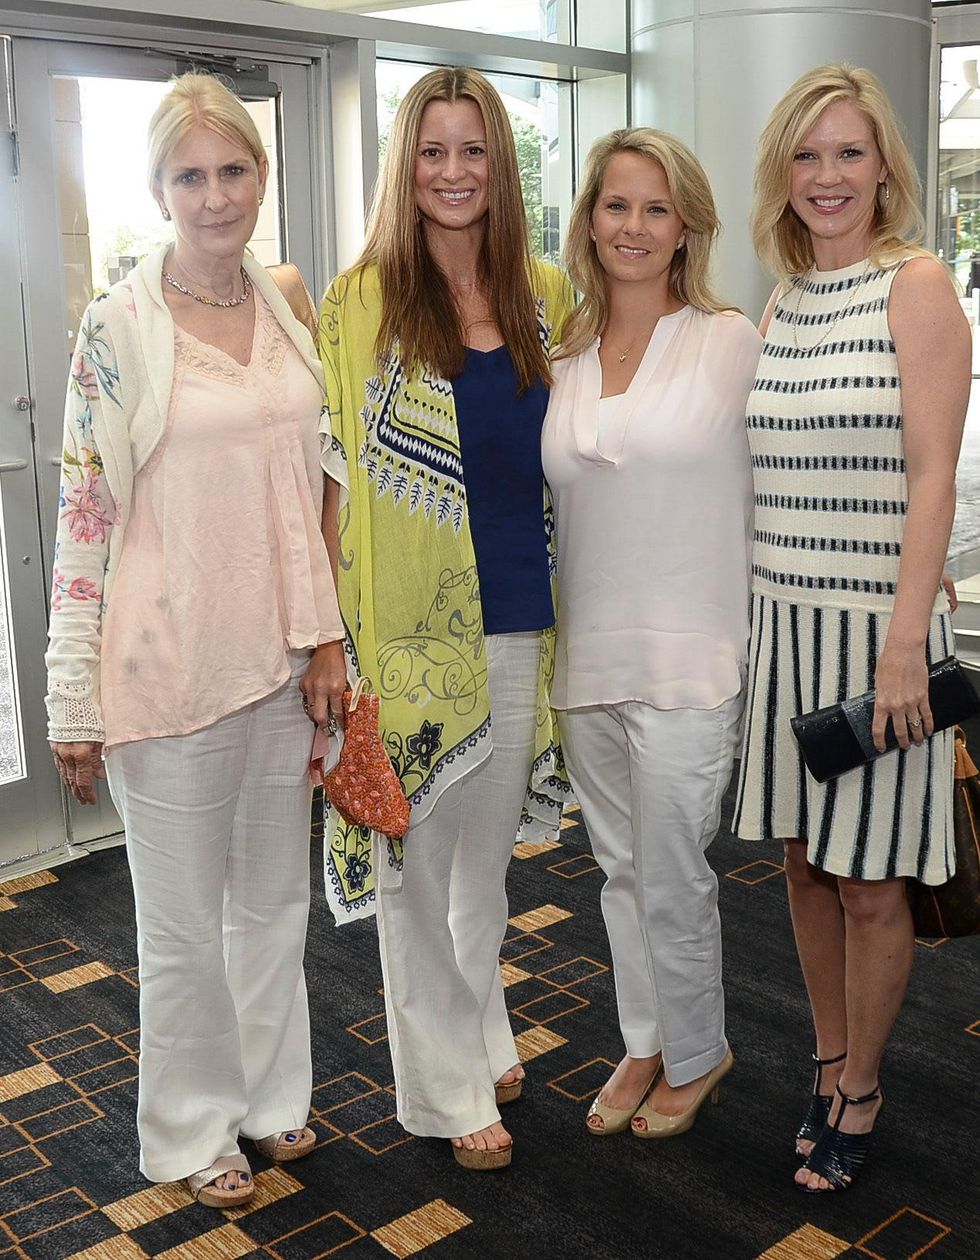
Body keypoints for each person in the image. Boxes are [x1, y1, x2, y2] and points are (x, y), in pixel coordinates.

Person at [45, 72, 347, 1208]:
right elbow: (84, 516)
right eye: (190, 176)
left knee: (271, 908)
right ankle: (188, 1131)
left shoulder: (281, 299)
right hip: (164, 672)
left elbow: (317, 479)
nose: (214, 197)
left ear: (260, 178)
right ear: (158, 187)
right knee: (179, 929)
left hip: (274, 665)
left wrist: (325, 642)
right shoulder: (116, 326)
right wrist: (72, 703)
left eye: (234, 172)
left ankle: (271, 1101)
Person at [318, 67, 572, 1170]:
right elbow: (327, 483)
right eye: (432, 150)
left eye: (474, 150)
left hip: (524, 614)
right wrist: (328, 638)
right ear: (403, 164)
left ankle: (482, 1030)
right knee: (419, 878)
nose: (454, 172)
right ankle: (439, 1088)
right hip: (406, 639)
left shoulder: (547, 293)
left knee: (482, 869)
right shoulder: (360, 299)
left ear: (499, 165)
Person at [734, 63, 970, 1192]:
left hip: (874, 634)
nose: (826, 175)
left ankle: (863, 1086)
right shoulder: (779, 296)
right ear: (784, 171)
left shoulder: (914, 285)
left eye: (848, 152)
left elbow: (932, 481)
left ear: (884, 168)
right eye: (807, 154)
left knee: (872, 880)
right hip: (781, 626)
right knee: (801, 862)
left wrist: (899, 643)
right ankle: (824, 1057)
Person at [541, 128, 761, 1139]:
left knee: (675, 869)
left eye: (655, 209)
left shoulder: (727, 342)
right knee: (619, 869)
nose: (633, 227)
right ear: (589, 219)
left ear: (686, 228)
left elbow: (794, 472)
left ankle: (699, 1049)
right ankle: (645, 1038)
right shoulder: (564, 355)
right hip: (589, 654)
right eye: (616, 206)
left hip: (690, 655)